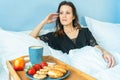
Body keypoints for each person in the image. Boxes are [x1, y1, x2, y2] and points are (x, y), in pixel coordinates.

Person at [30, 1, 115, 68]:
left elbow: (95, 46)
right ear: (58, 16)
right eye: (61, 13)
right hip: (74, 69)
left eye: (67, 13)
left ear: (73, 16)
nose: (64, 16)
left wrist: (105, 51)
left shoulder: (84, 31)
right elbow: (30, 37)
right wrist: (44, 21)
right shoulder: (54, 36)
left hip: (92, 64)